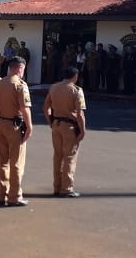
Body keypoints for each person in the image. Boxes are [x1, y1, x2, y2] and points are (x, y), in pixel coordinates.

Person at [0, 56, 32, 207]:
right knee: (16, 162)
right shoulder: (20, 85)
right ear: (20, 68)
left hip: (0, 122)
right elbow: (24, 108)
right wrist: (29, 126)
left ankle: (2, 195)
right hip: (14, 125)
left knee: (3, 160)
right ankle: (15, 196)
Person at [44, 66, 86, 197]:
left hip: (56, 124)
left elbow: (46, 107)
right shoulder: (77, 90)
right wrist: (83, 130)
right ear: (75, 77)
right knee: (69, 157)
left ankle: (57, 187)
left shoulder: (54, 87)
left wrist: (51, 121)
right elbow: (80, 113)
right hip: (69, 126)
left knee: (58, 156)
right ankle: (66, 188)